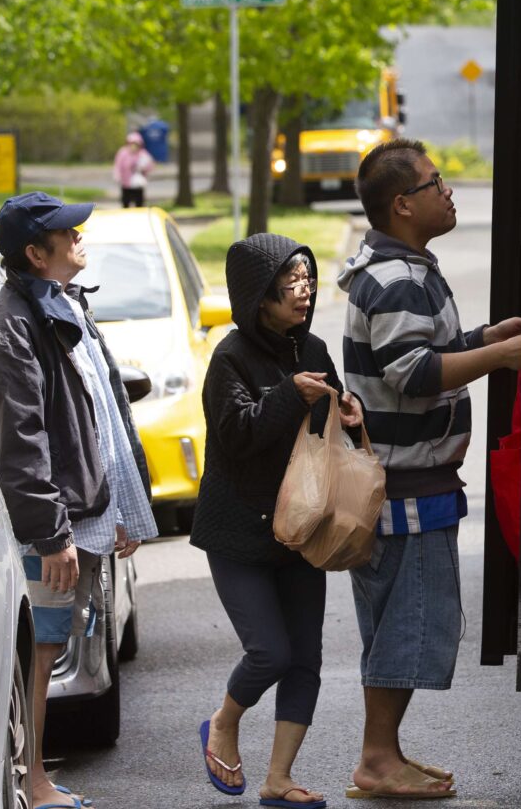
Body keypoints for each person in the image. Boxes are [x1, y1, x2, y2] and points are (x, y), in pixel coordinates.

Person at [0, 191, 158, 809]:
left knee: (48, 650)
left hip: (78, 518)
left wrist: (121, 506)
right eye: (67, 233)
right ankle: (33, 783)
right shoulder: (10, 329)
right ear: (35, 253)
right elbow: (22, 445)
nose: (80, 237)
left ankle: (36, 778)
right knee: (38, 656)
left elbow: (102, 417)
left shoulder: (61, 306)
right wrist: (52, 536)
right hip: (47, 531)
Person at [336, 139, 521, 800]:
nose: (448, 192)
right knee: (409, 622)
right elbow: (412, 373)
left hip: (411, 483)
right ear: (403, 205)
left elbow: (429, 352)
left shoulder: (404, 268)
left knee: (400, 621)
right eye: (435, 182)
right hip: (403, 489)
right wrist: (502, 360)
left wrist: (484, 340)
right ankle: (378, 759)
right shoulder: (398, 280)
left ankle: (382, 753)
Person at [189, 234, 363, 809]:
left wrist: (351, 416)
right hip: (239, 532)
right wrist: (290, 395)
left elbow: (328, 429)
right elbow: (238, 437)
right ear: (258, 296)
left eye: (308, 282)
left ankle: (279, 778)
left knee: (306, 658)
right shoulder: (230, 357)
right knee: (270, 652)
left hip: (301, 529)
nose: (304, 293)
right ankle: (222, 722)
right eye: (291, 285)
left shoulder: (312, 349)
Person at [113, 130, 155, 208]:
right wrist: (117, 176)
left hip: (138, 184)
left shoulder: (143, 153)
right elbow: (118, 165)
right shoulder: (123, 153)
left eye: (136, 144)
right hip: (126, 183)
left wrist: (143, 168)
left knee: (139, 203)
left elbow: (150, 166)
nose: (134, 146)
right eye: (132, 144)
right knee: (126, 202)